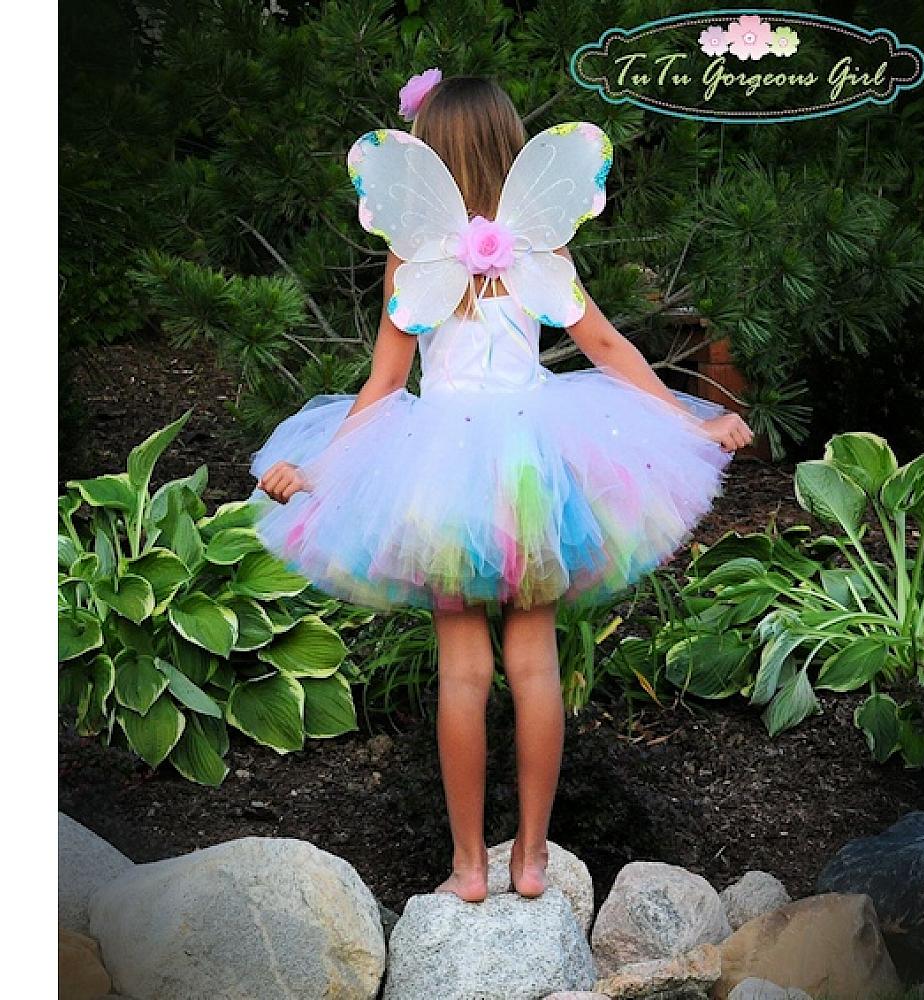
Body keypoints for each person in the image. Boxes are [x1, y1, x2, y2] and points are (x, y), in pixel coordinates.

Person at [249, 73, 752, 904]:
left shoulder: (412, 257)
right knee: (534, 664)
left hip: (441, 470)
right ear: (513, 148)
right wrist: (686, 422)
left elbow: (385, 383)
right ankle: (531, 857)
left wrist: (322, 470)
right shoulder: (540, 250)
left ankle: (468, 867)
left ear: (430, 156)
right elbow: (608, 347)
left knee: (463, 672)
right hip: (530, 467)